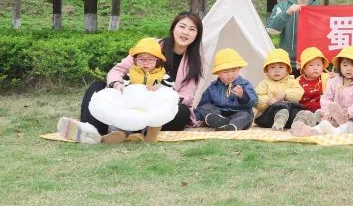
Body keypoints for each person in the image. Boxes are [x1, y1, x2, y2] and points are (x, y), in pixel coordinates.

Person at [64, 12, 203, 141]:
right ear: (173, 28)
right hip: (130, 99)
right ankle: (90, 130)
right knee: (97, 87)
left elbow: (186, 96)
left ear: (197, 35)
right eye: (182, 26)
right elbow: (118, 70)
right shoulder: (150, 46)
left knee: (182, 112)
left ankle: (131, 130)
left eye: (192, 29)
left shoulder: (194, 61)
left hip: (158, 106)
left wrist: (162, 94)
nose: (186, 32)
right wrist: (117, 84)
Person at [265, 0, 322, 71]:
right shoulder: (282, 7)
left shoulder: (320, 11)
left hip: (312, 66)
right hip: (285, 65)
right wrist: (287, 13)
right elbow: (271, 30)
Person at [195, 49, 258, 131]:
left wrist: (243, 95)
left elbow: (254, 101)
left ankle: (232, 125)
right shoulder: (213, 87)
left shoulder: (245, 84)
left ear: (239, 69)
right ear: (218, 73)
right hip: (219, 114)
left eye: (233, 71)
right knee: (205, 107)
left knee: (245, 116)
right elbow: (202, 105)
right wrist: (197, 118)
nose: (230, 75)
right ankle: (219, 121)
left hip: (238, 113)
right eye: (225, 72)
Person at [253, 49, 303, 130]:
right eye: (272, 67)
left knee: (295, 108)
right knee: (279, 106)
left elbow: (298, 93)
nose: (276, 70)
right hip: (268, 116)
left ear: (287, 70)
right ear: (267, 70)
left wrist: (286, 93)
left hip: (288, 114)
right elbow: (256, 98)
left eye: (281, 67)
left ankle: (300, 120)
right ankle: (279, 120)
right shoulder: (264, 83)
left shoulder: (291, 81)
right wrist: (268, 101)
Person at [291, 47, 331, 129]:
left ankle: (319, 122)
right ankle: (304, 124)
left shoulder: (326, 78)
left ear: (323, 67)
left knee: (326, 115)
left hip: (322, 110)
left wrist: (335, 77)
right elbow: (293, 97)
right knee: (298, 114)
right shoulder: (297, 81)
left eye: (318, 65)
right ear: (304, 68)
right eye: (311, 65)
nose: (315, 68)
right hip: (304, 110)